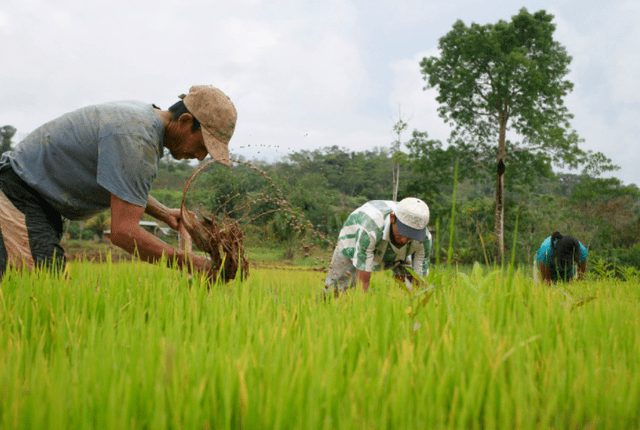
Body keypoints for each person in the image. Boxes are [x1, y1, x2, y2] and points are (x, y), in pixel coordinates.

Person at [0, 84, 236, 280]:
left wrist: (164, 213)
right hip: (18, 196)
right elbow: (124, 232)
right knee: (45, 294)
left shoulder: (142, 120)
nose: (201, 156)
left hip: (30, 201)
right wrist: (193, 263)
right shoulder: (136, 137)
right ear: (185, 121)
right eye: (203, 146)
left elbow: (119, 183)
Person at [323, 198, 432, 296]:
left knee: (409, 290)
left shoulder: (424, 239)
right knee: (335, 290)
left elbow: (419, 279)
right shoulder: (370, 230)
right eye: (402, 232)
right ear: (392, 218)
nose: (404, 240)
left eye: (411, 235)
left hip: (396, 250)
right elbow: (362, 283)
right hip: (353, 239)